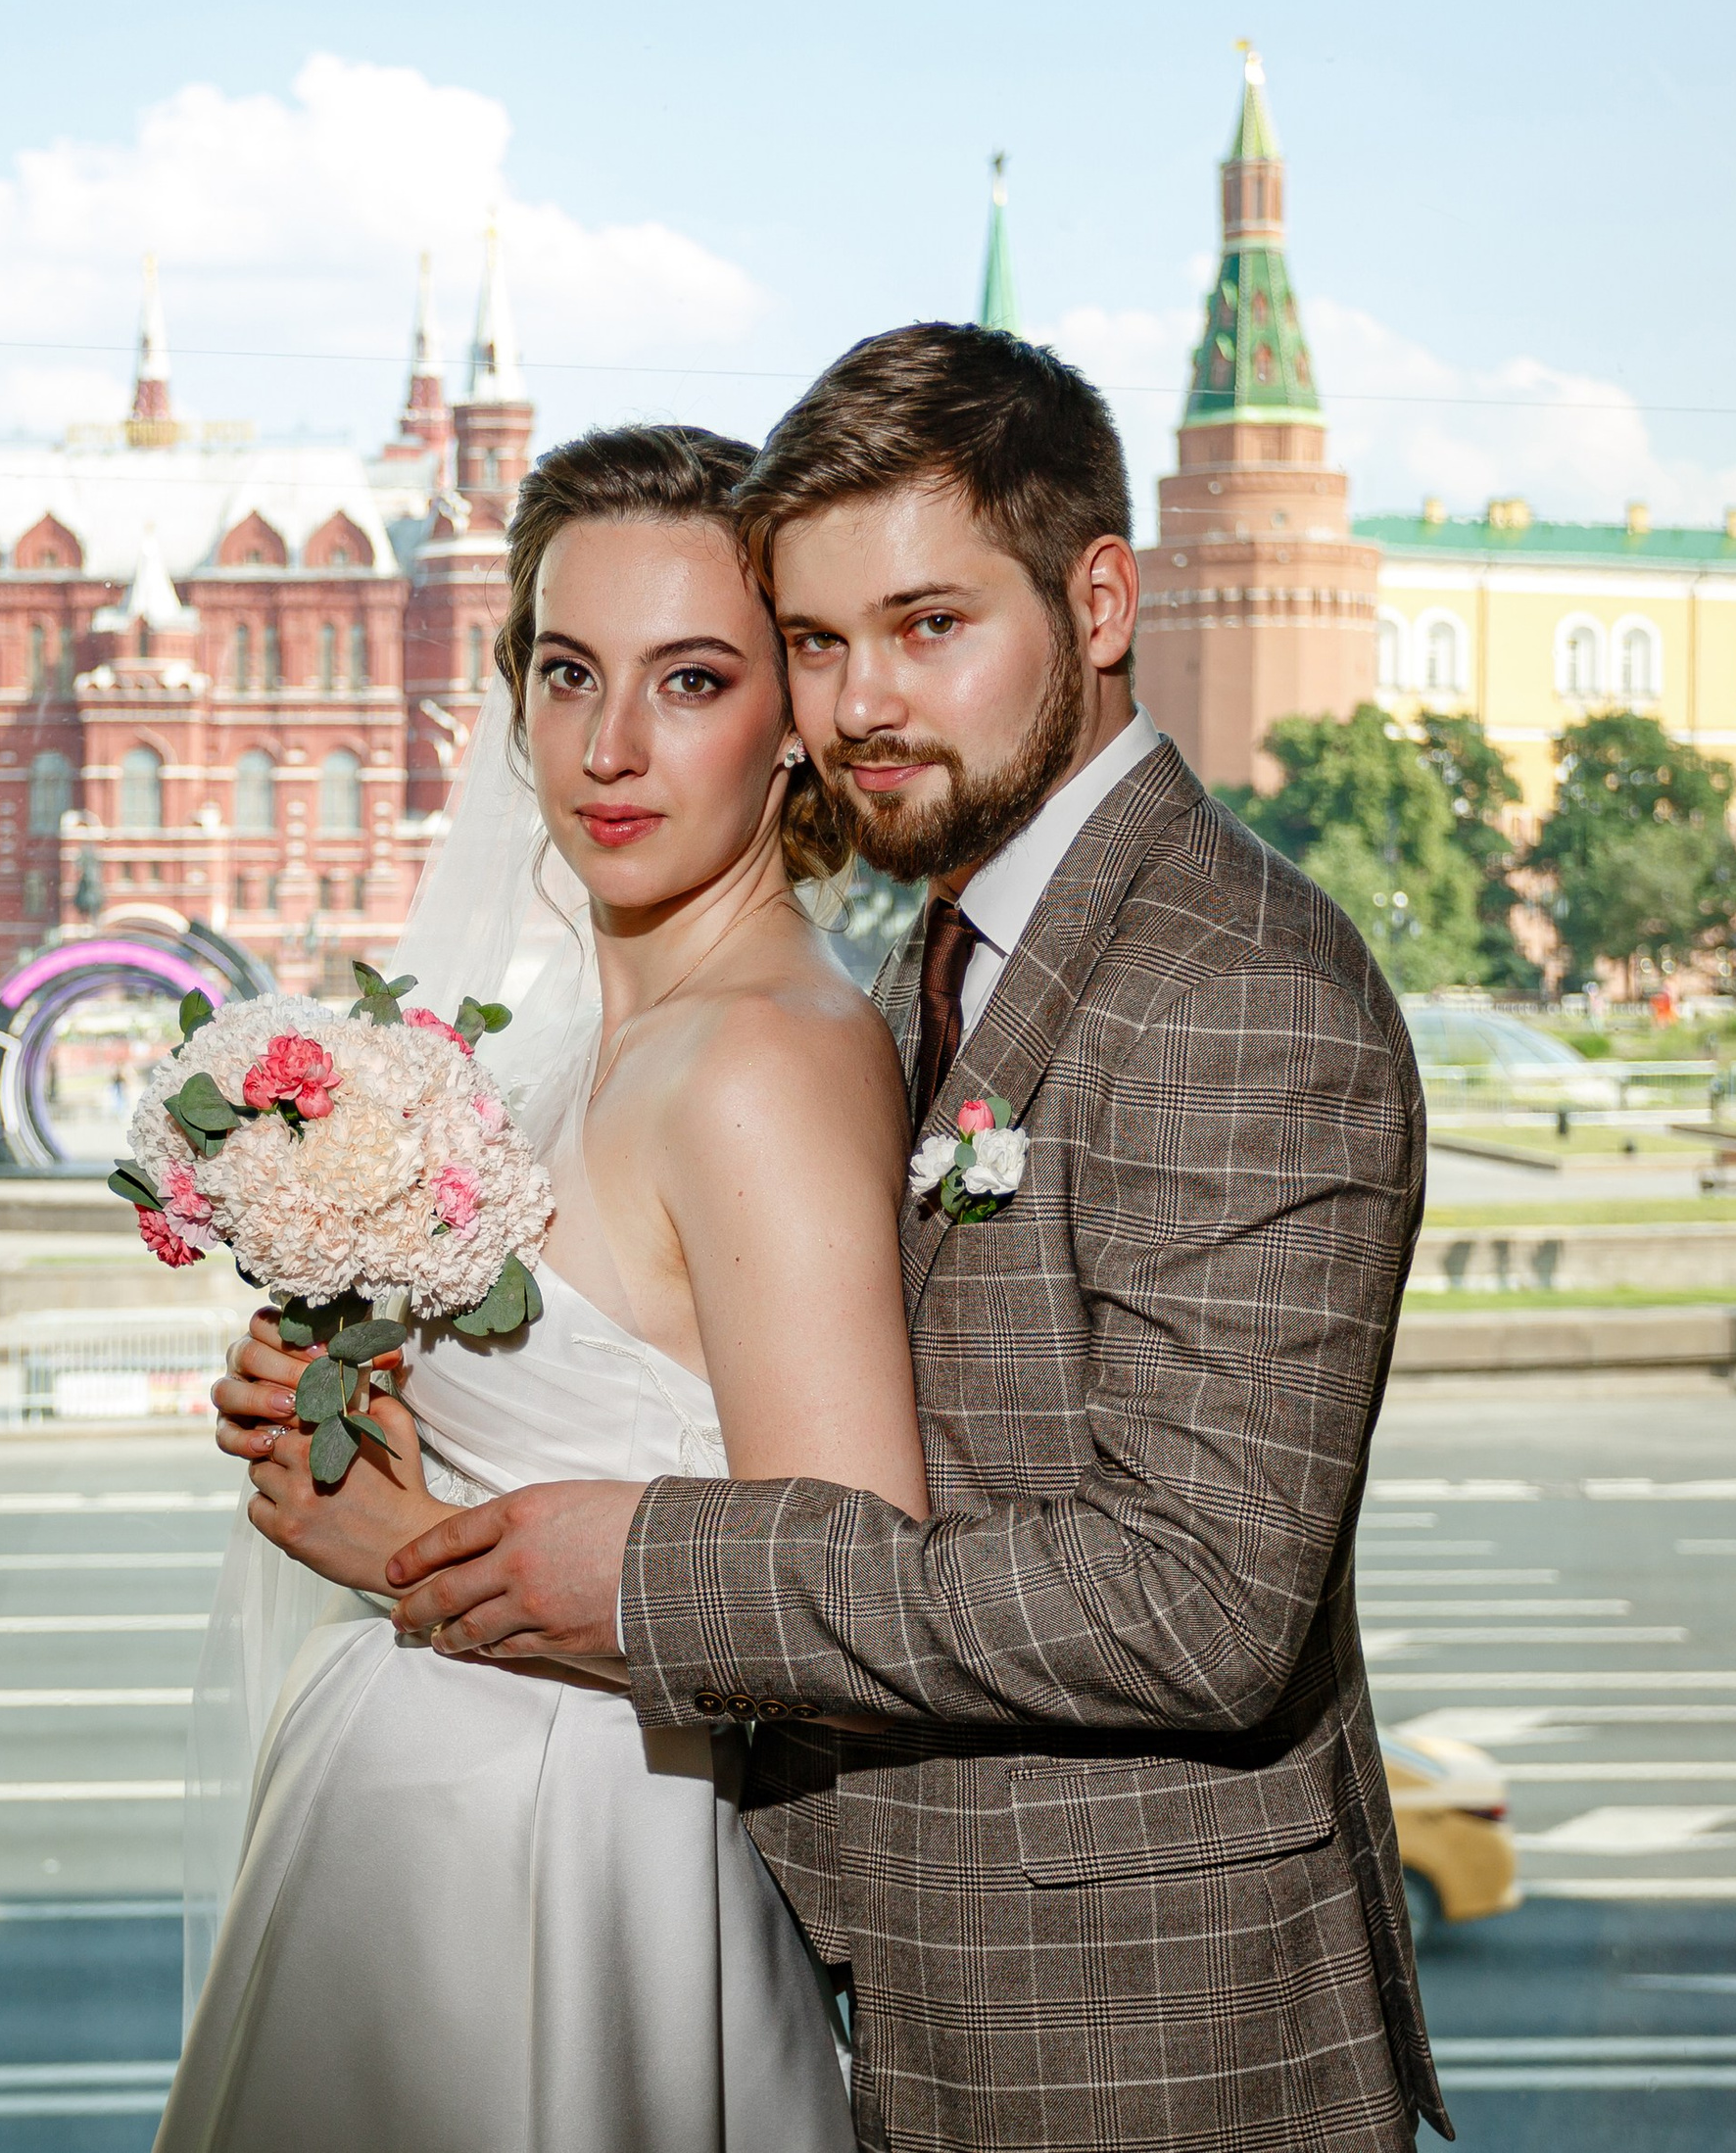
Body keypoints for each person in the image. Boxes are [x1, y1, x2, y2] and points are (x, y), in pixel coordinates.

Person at [363, 325, 1445, 2151]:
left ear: (1099, 600)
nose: (863, 701)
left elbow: (1199, 1608)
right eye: (820, 641)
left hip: (1145, 2042)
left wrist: (646, 1578)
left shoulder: (1234, 991)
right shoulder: (946, 945)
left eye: (932, 626)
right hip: (933, 1987)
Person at [162, 425, 925, 2153]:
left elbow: (859, 1610)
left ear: (795, 721)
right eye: (570, 671)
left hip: (573, 1860)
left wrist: (408, 1559)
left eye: (694, 679)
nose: (612, 747)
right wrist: (343, 1385)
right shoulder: (580, 1036)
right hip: (421, 1844)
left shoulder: (761, 1063)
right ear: (509, 689)